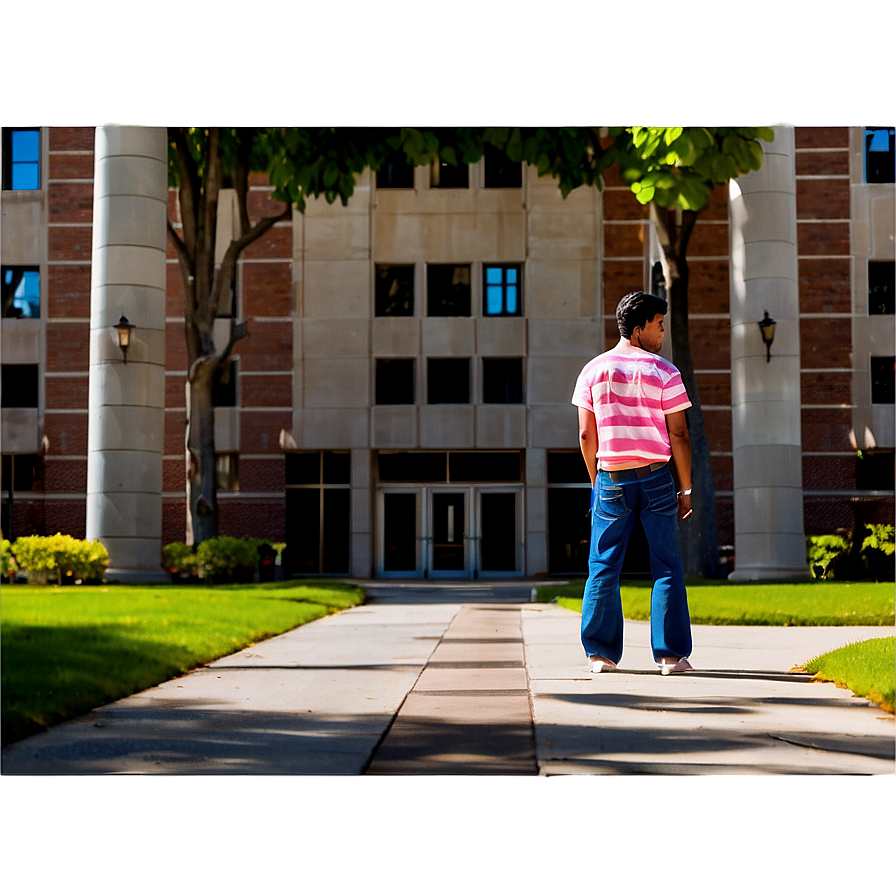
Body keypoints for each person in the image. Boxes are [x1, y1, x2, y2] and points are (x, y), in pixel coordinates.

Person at [571, 290, 694, 675]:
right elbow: (679, 435)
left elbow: (586, 436)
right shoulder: (665, 371)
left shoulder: (592, 371)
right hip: (657, 477)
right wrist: (685, 488)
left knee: (604, 565)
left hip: (611, 478)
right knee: (667, 566)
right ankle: (671, 657)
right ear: (639, 328)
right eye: (658, 325)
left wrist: (597, 480)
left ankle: (599, 655)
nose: (662, 333)